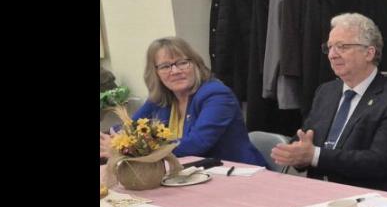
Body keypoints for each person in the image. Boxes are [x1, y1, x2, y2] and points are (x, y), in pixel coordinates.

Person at [270, 13, 387, 194]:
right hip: (319, 195)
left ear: (369, 53)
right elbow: (307, 139)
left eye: (342, 47)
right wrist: (296, 153)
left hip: (369, 199)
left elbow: (379, 162)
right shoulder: (326, 92)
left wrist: (314, 155)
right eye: (329, 47)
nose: (332, 55)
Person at [99, 37, 266, 166]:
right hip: (188, 175)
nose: (175, 71)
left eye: (182, 63)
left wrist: (129, 149)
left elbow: (197, 144)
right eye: (165, 66)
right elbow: (130, 127)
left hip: (236, 174)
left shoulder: (217, 95)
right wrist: (113, 138)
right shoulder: (160, 98)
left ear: (196, 64)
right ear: (156, 73)